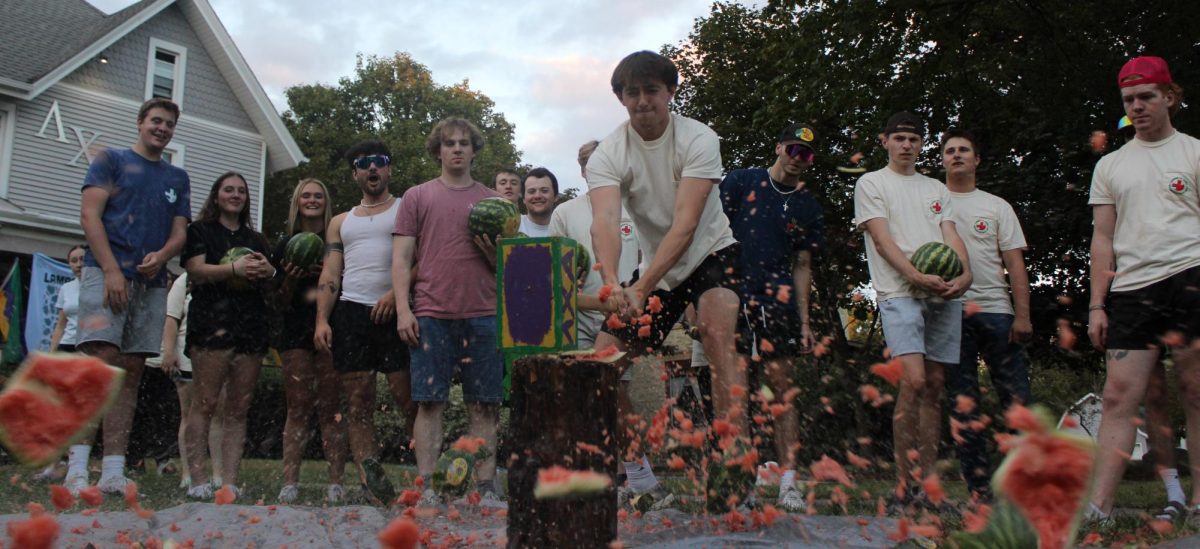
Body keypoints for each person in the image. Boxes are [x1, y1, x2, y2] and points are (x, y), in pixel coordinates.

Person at [586, 51, 746, 508]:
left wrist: (642, 286)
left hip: (712, 252)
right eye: (631, 93)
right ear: (620, 98)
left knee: (717, 334)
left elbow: (687, 222)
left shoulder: (698, 137)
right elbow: (604, 221)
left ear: (670, 92)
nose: (642, 101)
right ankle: (638, 476)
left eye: (651, 90)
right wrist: (615, 283)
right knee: (601, 365)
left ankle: (734, 465)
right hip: (656, 266)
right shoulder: (608, 154)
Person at [1085, 56, 1200, 521]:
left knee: (1195, 391)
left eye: (1147, 97)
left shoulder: (1194, 152)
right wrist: (1096, 304)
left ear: (1169, 97)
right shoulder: (1111, 166)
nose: (1138, 107)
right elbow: (1103, 238)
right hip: (1132, 290)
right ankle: (1100, 506)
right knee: (1118, 398)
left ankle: (1197, 502)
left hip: (1191, 276)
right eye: (1129, 100)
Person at [851, 111, 972, 508]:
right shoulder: (871, 183)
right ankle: (904, 485)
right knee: (914, 381)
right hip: (898, 291)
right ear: (885, 141)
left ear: (921, 146)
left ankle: (930, 488)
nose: (906, 145)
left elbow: (949, 234)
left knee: (935, 387)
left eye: (914, 140)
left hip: (942, 291)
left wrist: (965, 274)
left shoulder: (936, 188)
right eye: (899, 138)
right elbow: (883, 241)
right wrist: (915, 277)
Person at [72, 97, 191, 496]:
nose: (162, 129)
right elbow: (90, 216)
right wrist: (110, 270)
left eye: (169, 124)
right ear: (140, 122)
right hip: (105, 274)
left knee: (130, 372)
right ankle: (75, 469)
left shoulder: (177, 178)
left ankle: (113, 469)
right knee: (98, 368)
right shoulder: (111, 161)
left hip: (151, 283)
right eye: (156, 121)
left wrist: (164, 254)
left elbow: (179, 232)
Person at [393, 117, 505, 506]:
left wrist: (496, 257)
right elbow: (402, 255)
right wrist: (403, 311)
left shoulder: (498, 203)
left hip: (485, 313)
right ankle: (428, 486)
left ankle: (487, 486)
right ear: (437, 150)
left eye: (463, 143)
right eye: (449, 143)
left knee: (485, 403)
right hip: (431, 313)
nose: (456, 149)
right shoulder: (417, 196)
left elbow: (507, 268)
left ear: (474, 150)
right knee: (429, 402)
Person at [720, 122, 825, 512]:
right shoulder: (740, 182)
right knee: (737, 392)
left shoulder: (806, 205)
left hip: (778, 304)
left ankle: (788, 482)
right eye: (794, 149)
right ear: (780, 147)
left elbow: (802, 264)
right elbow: (710, 235)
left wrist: (804, 322)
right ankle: (742, 481)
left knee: (782, 392)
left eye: (807, 154)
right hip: (733, 297)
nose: (799, 158)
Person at [314, 140, 415, 506]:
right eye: (363, 164)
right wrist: (322, 319)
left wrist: (395, 294)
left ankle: (427, 473)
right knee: (358, 403)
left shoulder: (408, 208)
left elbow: (426, 258)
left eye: (379, 162)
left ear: (388, 169)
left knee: (408, 398)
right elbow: (330, 271)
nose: (372, 169)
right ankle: (369, 481)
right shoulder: (341, 221)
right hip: (351, 312)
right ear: (355, 173)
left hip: (396, 310)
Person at [940, 129, 1032, 502]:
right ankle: (979, 488)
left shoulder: (996, 206)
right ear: (943, 160)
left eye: (964, 150)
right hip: (949, 312)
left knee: (1017, 401)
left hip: (996, 311)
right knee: (964, 404)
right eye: (950, 151)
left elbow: (1015, 263)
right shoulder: (932, 202)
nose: (957, 155)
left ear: (976, 160)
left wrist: (1023, 315)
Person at [180, 172, 275, 500]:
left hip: (250, 325)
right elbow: (195, 270)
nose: (235, 195)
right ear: (217, 195)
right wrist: (233, 270)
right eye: (228, 189)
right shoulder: (200, 231)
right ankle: (197, 478)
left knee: (238, 406)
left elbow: (271, 276)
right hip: (211, 323)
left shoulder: (257, 239)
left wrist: (269, 271)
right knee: (204, 402)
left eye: (241, 191)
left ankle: (230, 481)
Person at [274, 178, 349, 504]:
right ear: (297, 201)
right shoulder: (284, 243)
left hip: (332, 328)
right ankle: (290, 481)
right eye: (306, 195)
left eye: (319, 195)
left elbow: (345, 285)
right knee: (298, 407)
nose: (312, 200)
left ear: (325, 202)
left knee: (332, 408)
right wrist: (291, 277)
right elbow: (277, 301)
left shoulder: (337, 241)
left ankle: (336, 482)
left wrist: (329, 274)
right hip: (294, 331)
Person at [158, 271, 225, 491]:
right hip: (186, 357)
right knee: (188, 414)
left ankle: (218, 473)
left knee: (217, 414)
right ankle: (188, 472)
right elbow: (171, 318)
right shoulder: (184, 280)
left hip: (218, 354)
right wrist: (168, 351)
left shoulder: (225, 276)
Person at [49, 245, 86, 353]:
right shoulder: (66, 288)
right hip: (67, 345)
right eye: (74, 261)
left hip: (91, 346)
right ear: (69, 264)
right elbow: (61, 325)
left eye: (82, 259)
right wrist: (51, 352)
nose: (79, 264)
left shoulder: (102, 285)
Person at [518, 167, 558, 237]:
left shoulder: (565, 228)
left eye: (544, 191)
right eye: (531, 191)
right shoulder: (512, 226)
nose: (537, 196)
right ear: (523, 198)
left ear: (556, 196)